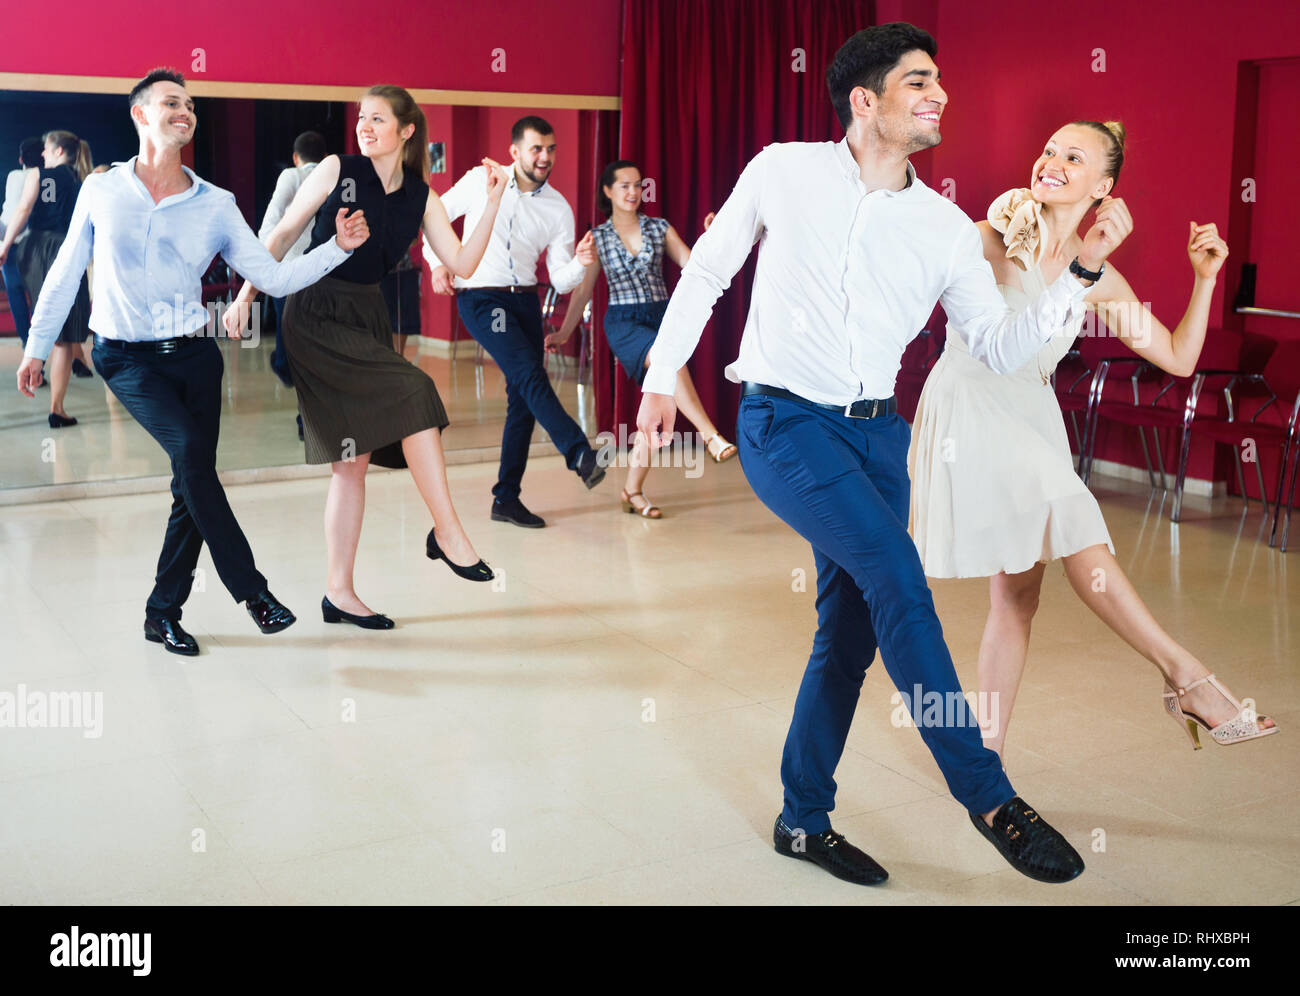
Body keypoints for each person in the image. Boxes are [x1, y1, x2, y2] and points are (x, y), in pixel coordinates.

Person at [637, 23, 1135, 886]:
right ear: (865, 101)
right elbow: (711, 268)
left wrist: (1080, 276)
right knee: (899, 578)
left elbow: (1004, 348)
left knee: (850, 635)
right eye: (917, 82)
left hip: (877, 438)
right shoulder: (783, 169)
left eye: (939, 80)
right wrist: (657, 377)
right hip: (784, 424)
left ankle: (801, 819)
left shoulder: (945, 227)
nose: (939, 93)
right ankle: (989, 797)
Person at [907, 120, 1276, 759]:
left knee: (1018, 596)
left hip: (1031, 414)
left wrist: (1205, 279)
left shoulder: (1097, 276)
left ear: (1103, 186)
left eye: (1072, 157)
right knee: (1072, 508)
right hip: (970, 406)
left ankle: (984, 759)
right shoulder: (986, 240)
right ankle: (1185, 675)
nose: (1051, 161)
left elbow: (1177, 357)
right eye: (1049, 149)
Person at [15, 68, 369, 656]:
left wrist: (337, 248)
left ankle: (162, 613)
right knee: (190, 458)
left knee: (190, 484)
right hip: (127, 360)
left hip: (197, 361)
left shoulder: (216, 205)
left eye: (191, 104)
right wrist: (35, 345)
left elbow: (274, 277)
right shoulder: (100, 191)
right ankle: (252, 592)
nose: (185, 110)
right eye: (171, 102)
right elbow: (63, 272)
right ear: (140, 114)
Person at [225, 85, 506, 629]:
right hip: (315, 308)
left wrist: (492, 201)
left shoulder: (422, 197)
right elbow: (283, 234)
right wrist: (244, 296)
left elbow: (463, 262)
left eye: (378, 119)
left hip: (366, 315)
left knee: (350, 464)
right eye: (361, 117)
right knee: (417, 389)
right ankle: (447, 532)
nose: (364, 126)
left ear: (406, 131)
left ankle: (339, 594)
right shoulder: (336, 168)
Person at [425, 116, 604, 531]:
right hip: (482, 298)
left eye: (551, 149)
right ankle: (578, 452)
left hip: (524, 299)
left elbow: (559, 277)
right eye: (536, 148)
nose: (545, 157)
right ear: (515, 152)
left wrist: (579, 263)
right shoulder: (480, 181)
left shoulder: (558, 208)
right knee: (529, 374)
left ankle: (506, 498)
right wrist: (437, 264)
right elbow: (434, 216)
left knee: (523, 398)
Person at [545, 160, 733, 518]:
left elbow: (695, 266)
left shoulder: (659, 228)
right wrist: (565, 332)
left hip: (663, 317)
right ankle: (710, 434)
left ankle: (632, 490)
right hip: (624, 322)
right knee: (667, 365)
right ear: (608, 191)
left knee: (658, 399)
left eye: (637, 185)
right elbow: (584, 292)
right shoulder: (597, 238)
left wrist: (714, 237)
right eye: (624, 186)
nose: (633, 192)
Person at [0, 130, 94, 426]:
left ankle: (35, 370)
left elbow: (24, 209)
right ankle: (57, 408)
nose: (41, 154)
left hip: (36, 249)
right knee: (65, 337)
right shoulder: (84, 182)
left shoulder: (38, 175)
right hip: (67, 250)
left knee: (43, 317)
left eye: (46, 149)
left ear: (55, 151)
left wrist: (4, 246)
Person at [257, 129, 325, 416]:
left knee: (289, 338)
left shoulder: (291, 176)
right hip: (321, 269)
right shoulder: (332, 176)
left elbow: (271, 221)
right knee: (313, 343)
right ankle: (306, 415)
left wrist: (264, 259)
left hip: (288, 268)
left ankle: (287, 373)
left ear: (296, 157)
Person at [0, 138, 41, 349]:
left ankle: (27, 343)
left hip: (11, 241)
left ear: (20, 159)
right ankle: (36, 347)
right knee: (37, 297)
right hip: (36, 244)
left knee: (16, 295)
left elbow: (11, 211)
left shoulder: (15, 176)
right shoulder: (47, 177)